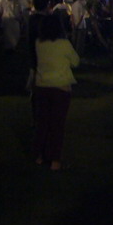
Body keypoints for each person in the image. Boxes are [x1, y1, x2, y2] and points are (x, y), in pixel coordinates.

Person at [31, 13, 79, 171]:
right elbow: (75, 61)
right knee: (57, 126)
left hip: (42, 86)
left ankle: (39, 155)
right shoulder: (64, 44)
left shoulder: (39, 43)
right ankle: (55, 160)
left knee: (42, 123)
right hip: (61, 87)